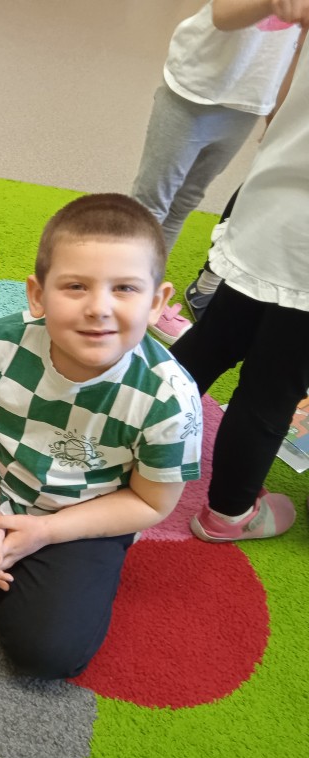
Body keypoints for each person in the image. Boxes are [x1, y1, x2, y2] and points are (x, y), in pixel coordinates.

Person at [0, 194, 203, 679]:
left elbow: (151, 503)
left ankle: (14, 566)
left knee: (47, 653)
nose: (99, 308)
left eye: (125, 289)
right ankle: (1, 558)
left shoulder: (171, 399)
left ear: (157, 303)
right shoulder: (3, 340)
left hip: (83, 515)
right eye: (75, 286)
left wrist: (47, 532)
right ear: (37, 294)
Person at [171, 0, 309, 542]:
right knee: (271, 389)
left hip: (270, 204)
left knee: (215, 339)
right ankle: (228, 513)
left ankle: (128, 436)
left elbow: (283, 100)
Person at [130, 1, 299, 343]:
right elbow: (223, 15)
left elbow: (297, 49)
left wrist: (277, 113)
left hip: (249, 101)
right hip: (195, 87)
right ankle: (125, 292)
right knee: (151, 204)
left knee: (184, 202)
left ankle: (144, 294)